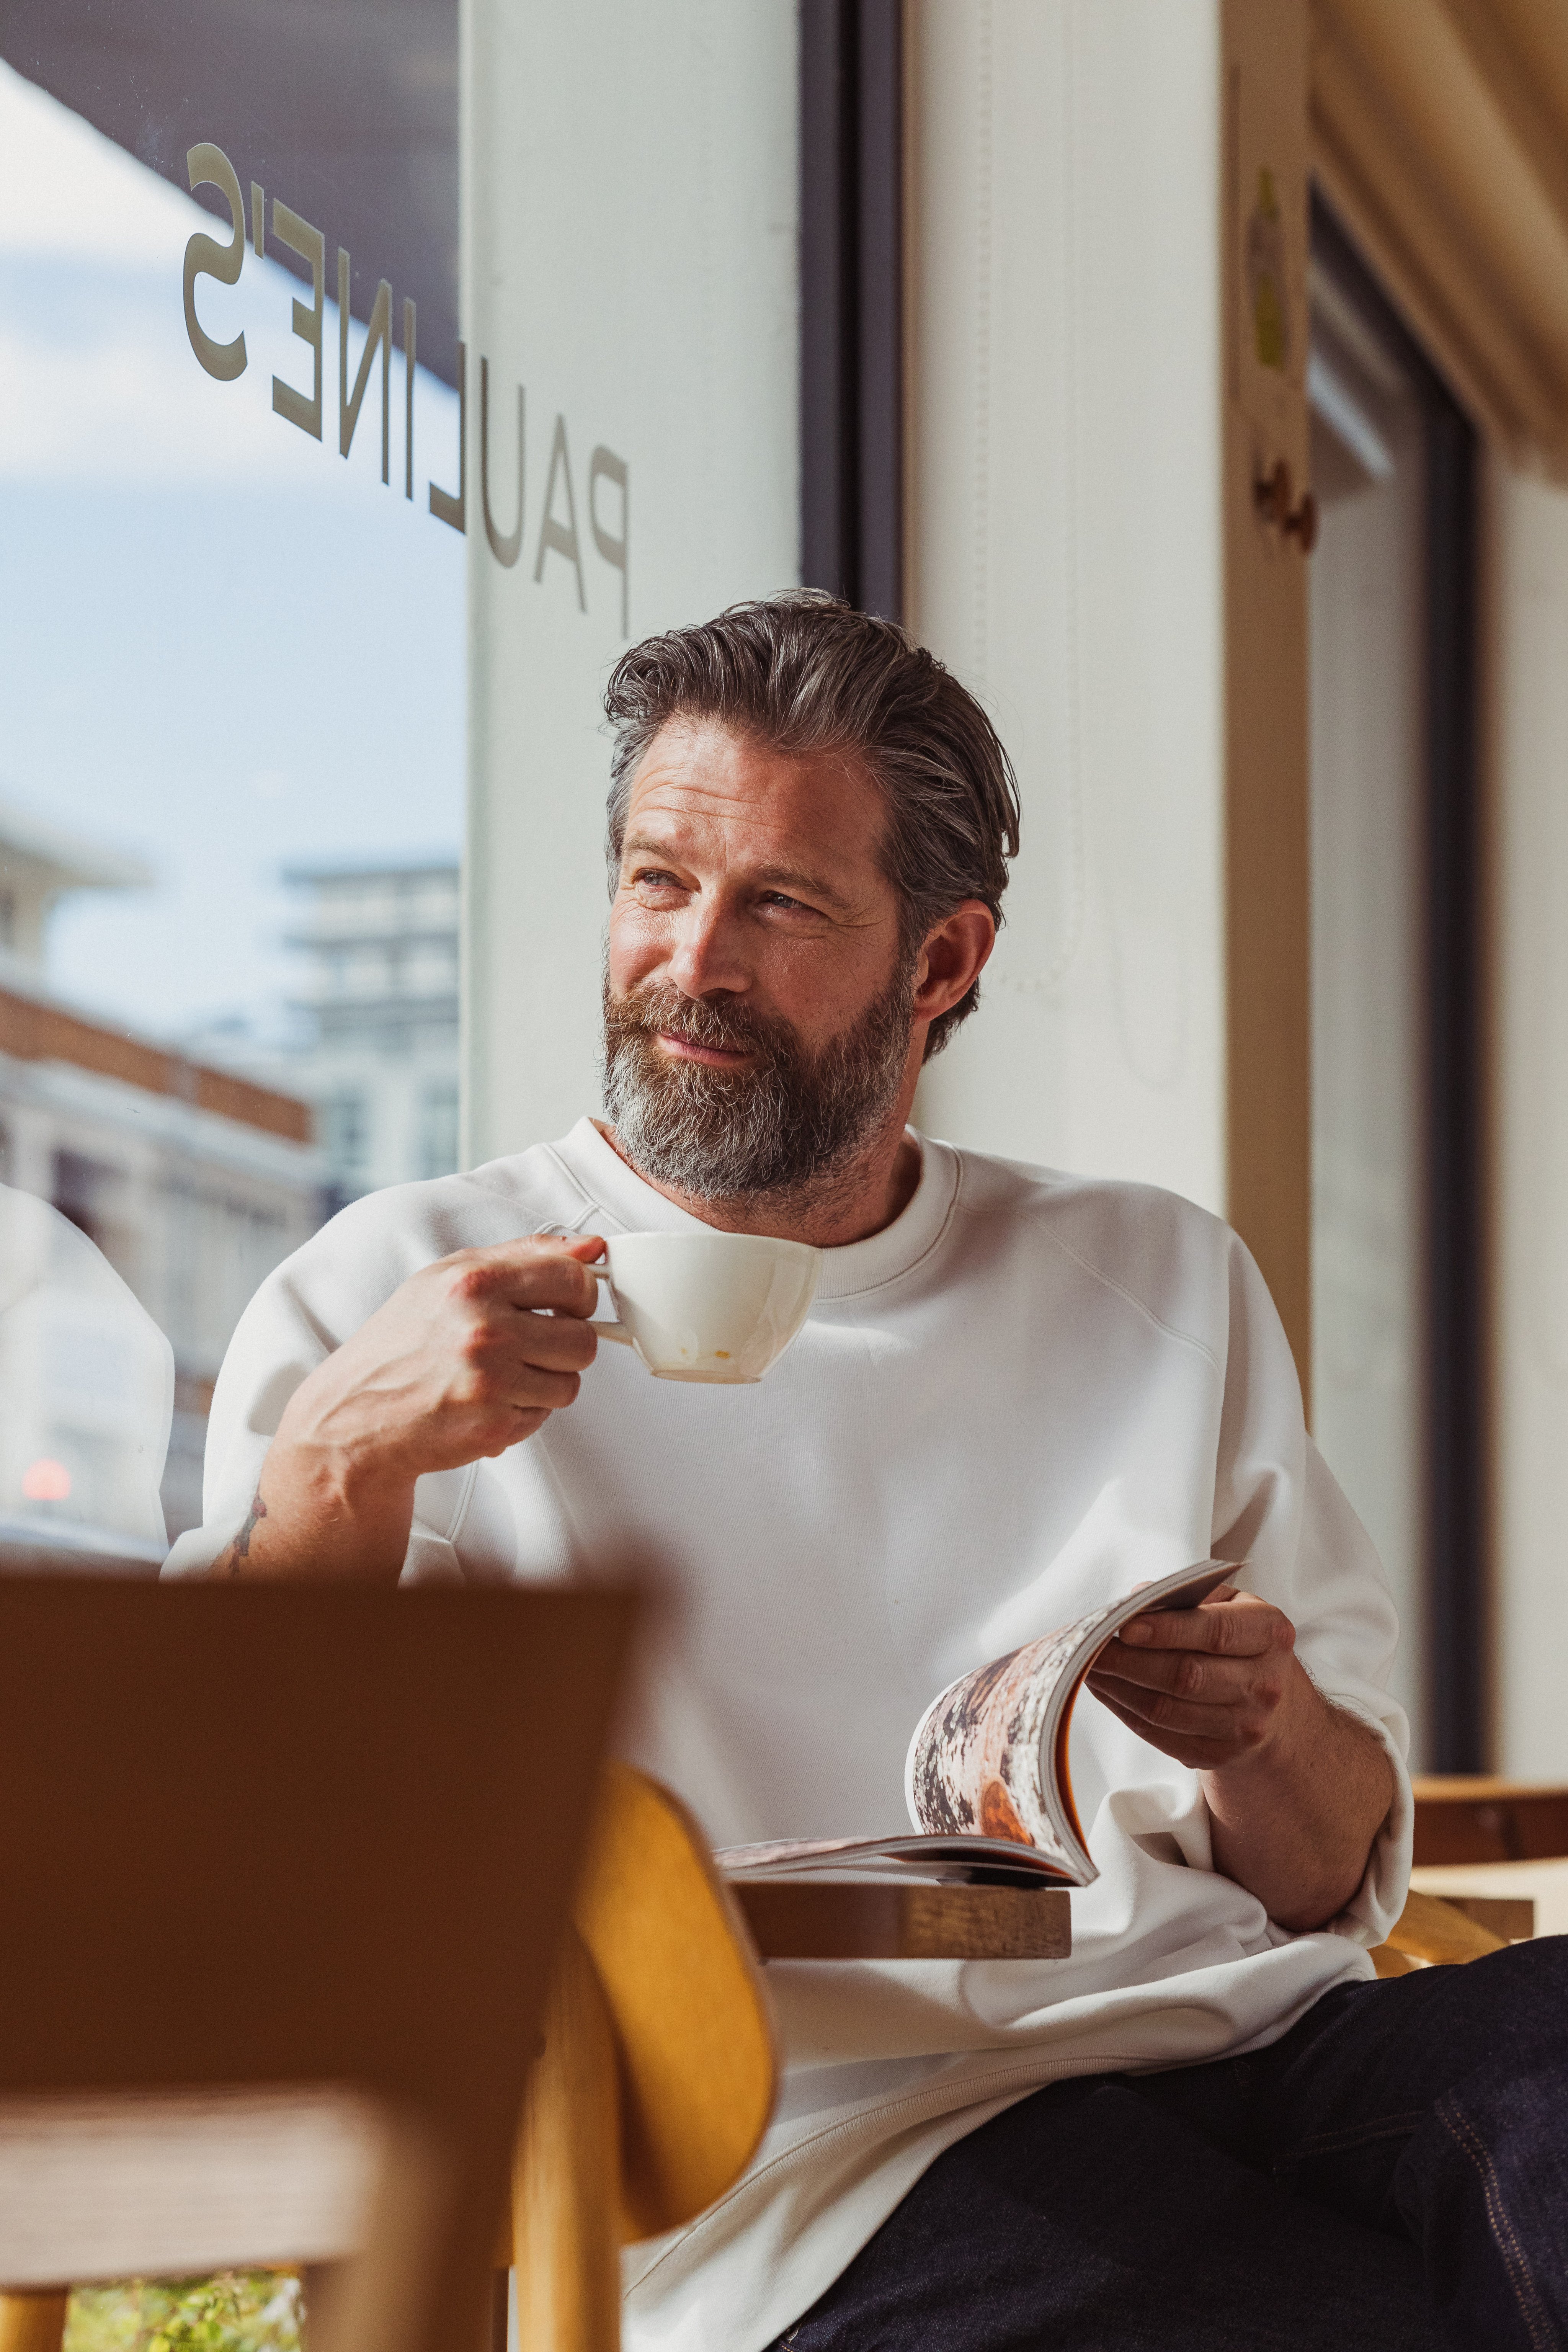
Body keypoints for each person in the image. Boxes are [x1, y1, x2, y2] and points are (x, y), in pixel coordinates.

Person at [167, 595, 1567, 2351]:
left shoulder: (1158, 1278)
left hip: (1246, 2048)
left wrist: (1267, 1730)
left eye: (777, 902)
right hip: (794, 2176)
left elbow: (1326, 1868)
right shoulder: (403, 1291)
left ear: (942, 964)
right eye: (658, 882)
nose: (691, 959)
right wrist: (334, 1469)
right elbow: (195, 1853)